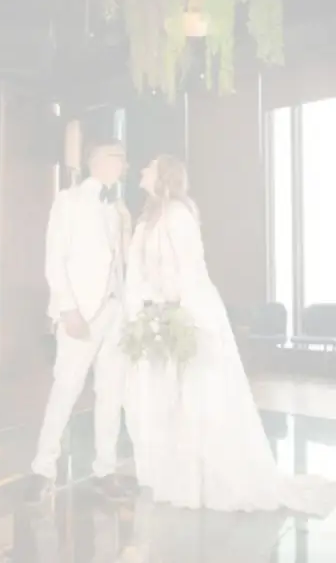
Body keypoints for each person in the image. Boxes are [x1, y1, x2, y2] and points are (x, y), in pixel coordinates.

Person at [124, 154, 336, 515]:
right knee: (170, 396)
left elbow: (189, 268)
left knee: (201, 394)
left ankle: (211, 478)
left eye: (149, 166)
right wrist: (145, 309)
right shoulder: (146, 220)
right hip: (159, 312)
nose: (142, 170)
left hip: (190, 312)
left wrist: (175, 309)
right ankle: (177, 476)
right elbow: (140, 272)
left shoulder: (178, 214)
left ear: (162, 176)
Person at [25, 140, 132, 503]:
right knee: (66, 389)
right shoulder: (67, 201)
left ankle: (105, 470)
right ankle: (43, 468)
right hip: (81, 312)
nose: (125, 165)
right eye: (119, 158)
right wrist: (68, 309)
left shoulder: (116, 209)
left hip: (115, 311)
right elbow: (55, 259)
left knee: (111, 393)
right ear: (99, 161)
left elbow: (120, 262)